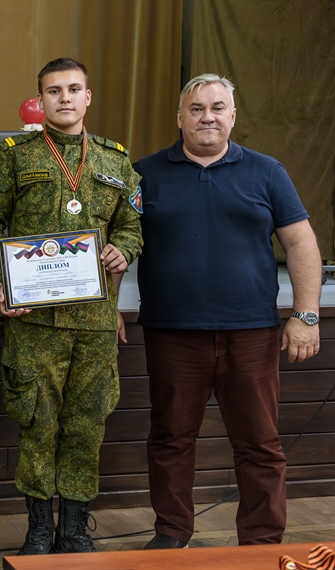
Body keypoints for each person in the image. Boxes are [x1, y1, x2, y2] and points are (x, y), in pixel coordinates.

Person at [135, 74, 322, 549]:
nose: (208, 117)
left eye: (218, 108)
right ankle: (172, 533)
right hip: (173, 332)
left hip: (251, 332)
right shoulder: (145, 174)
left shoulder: (267, 171)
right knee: (170, 439)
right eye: (197, 109)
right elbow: (119, 243)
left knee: (259, 443)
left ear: (233, 116)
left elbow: (301, 243)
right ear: (180, 117)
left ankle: (261, 542)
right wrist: (108, 307)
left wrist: (306, 314)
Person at [0, 57, 143, 555]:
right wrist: (7, 276)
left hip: (93, 323)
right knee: (37, 422)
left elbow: (132, 225)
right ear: (40, 100)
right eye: (54, 91)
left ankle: (73, 529)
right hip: (35, 322)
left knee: (86, 423)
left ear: (87, 97)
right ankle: (37, 528)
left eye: (74, 89)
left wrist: (123, 248)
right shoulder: (14, 157)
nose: (65, 98)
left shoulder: (116, 161)